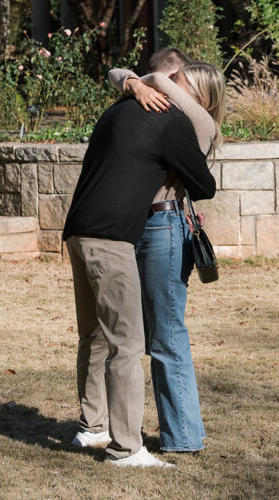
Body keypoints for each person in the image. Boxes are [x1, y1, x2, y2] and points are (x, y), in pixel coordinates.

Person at [62, 67, 221, 468]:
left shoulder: (117, 110)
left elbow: (123, 76)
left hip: (78, 230)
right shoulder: (170, 122)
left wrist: (133, 82)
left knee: (94, 335)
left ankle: (92, 426)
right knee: (128, 344)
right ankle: (126, 448)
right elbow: (205, 187)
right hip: (112, 238)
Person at [108, 53, 225, 454]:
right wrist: (134, 84)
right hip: (140, 226)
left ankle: (184, 438)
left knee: (167, 335)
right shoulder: (169, 113)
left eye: (182, 81)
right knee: (143, 334)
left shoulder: (200, 122)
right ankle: (172, 432)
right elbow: (114, 74)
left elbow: (157, 76)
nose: (171, 83)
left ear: (201, 95)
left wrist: (149, 79)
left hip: (164, 229)